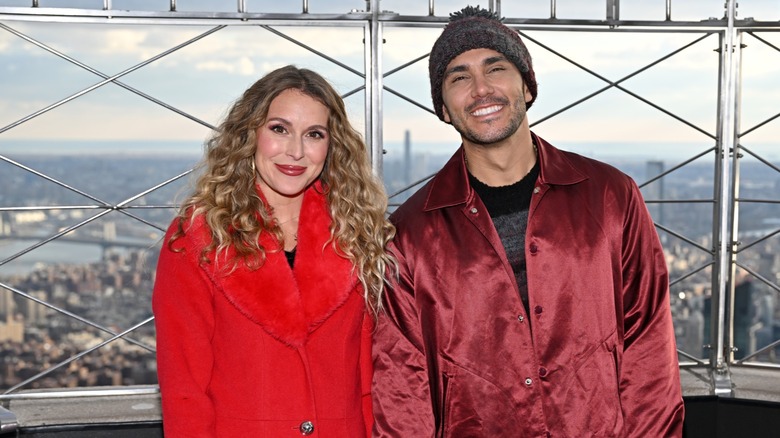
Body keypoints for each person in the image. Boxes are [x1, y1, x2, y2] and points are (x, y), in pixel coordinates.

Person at [371, 6, 685, 437]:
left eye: (495, 68)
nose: (481, 89)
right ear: (443, 108)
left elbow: (649, 345)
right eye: (459, 77)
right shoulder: (410, 233)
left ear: (527, 86)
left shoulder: (611, 195)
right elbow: (402, 388)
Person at [152, 65, 394, 437]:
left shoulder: (355, 229)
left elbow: (366, 376)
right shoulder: (198, 236)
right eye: (279, 129)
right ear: (250, 133)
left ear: (331, 146)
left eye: (314, 134)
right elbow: (184, 390)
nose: (295, 152)